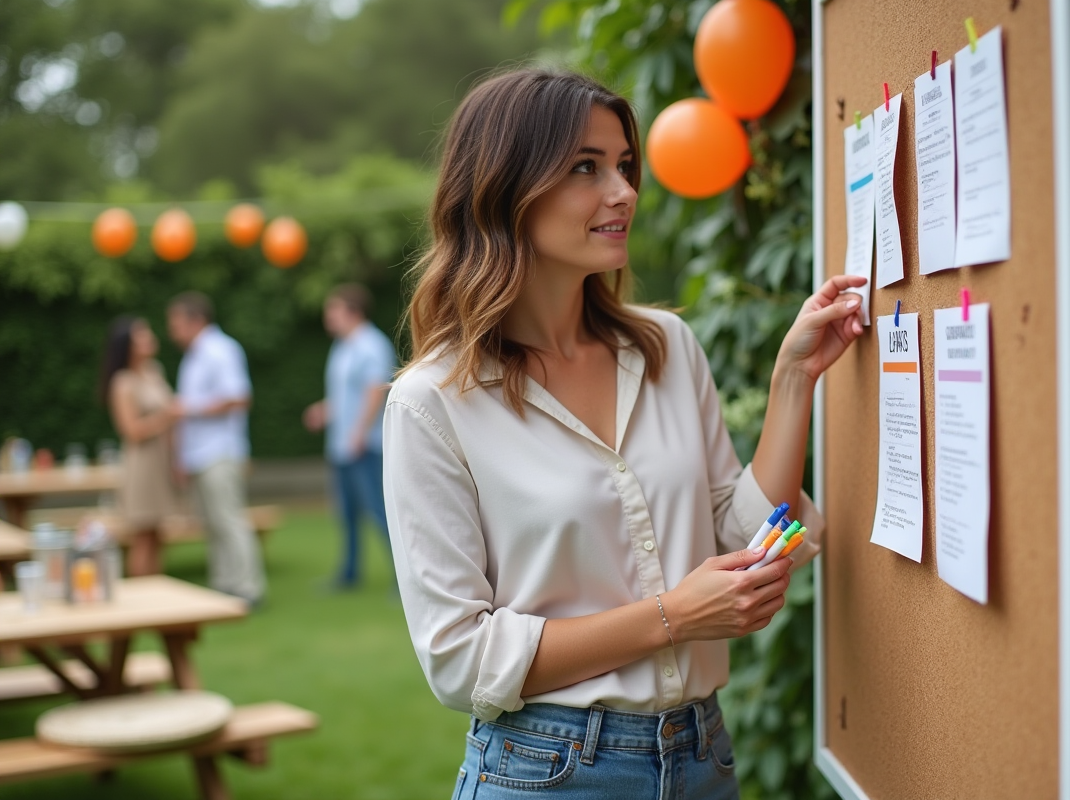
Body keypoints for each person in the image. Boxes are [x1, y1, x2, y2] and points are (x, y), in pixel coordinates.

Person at [382, 69, 866, 798]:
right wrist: (674, 616)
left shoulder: (666, 348)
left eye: (624, 166)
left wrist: (793, 380)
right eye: (586, 167)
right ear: (506, 189)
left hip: (702, 756)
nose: (624, 192)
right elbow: (461, 658)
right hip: (546, 772)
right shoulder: (433, 403)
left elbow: (743, 538)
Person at [167, 291, 265, 606]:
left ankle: (250, 588)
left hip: (220, 451)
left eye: (176, 322)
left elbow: (239, 397)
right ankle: (225, 585)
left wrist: (189, 409)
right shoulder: (193, 355)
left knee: (229, 520)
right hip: (199, 454)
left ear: (196, 320)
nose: (172, 330)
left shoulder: (221, 350)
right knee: (212, 524)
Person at [303, 283, 395, 589]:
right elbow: (347, 396)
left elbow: (374, 392)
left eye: (334, 309)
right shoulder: (342, 346)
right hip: (342, 446)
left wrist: (358, 433)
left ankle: (404, 579)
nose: (328, 316)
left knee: (380, 513)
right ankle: (349, 574)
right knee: (348, 515)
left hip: (364, 446)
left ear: (353, 311)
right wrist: (324, 411)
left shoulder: (371, 344)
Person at [99, 316, 176, 576]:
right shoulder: (122, 382)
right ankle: (142, 597)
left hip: (161, 461)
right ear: (127, 345)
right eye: (141, 335)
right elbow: (131, 431)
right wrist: (167, 417)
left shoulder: (155, 370)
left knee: (159, 534)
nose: (149, 338)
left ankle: (158, 594)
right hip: (141, 465)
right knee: (142, 535)